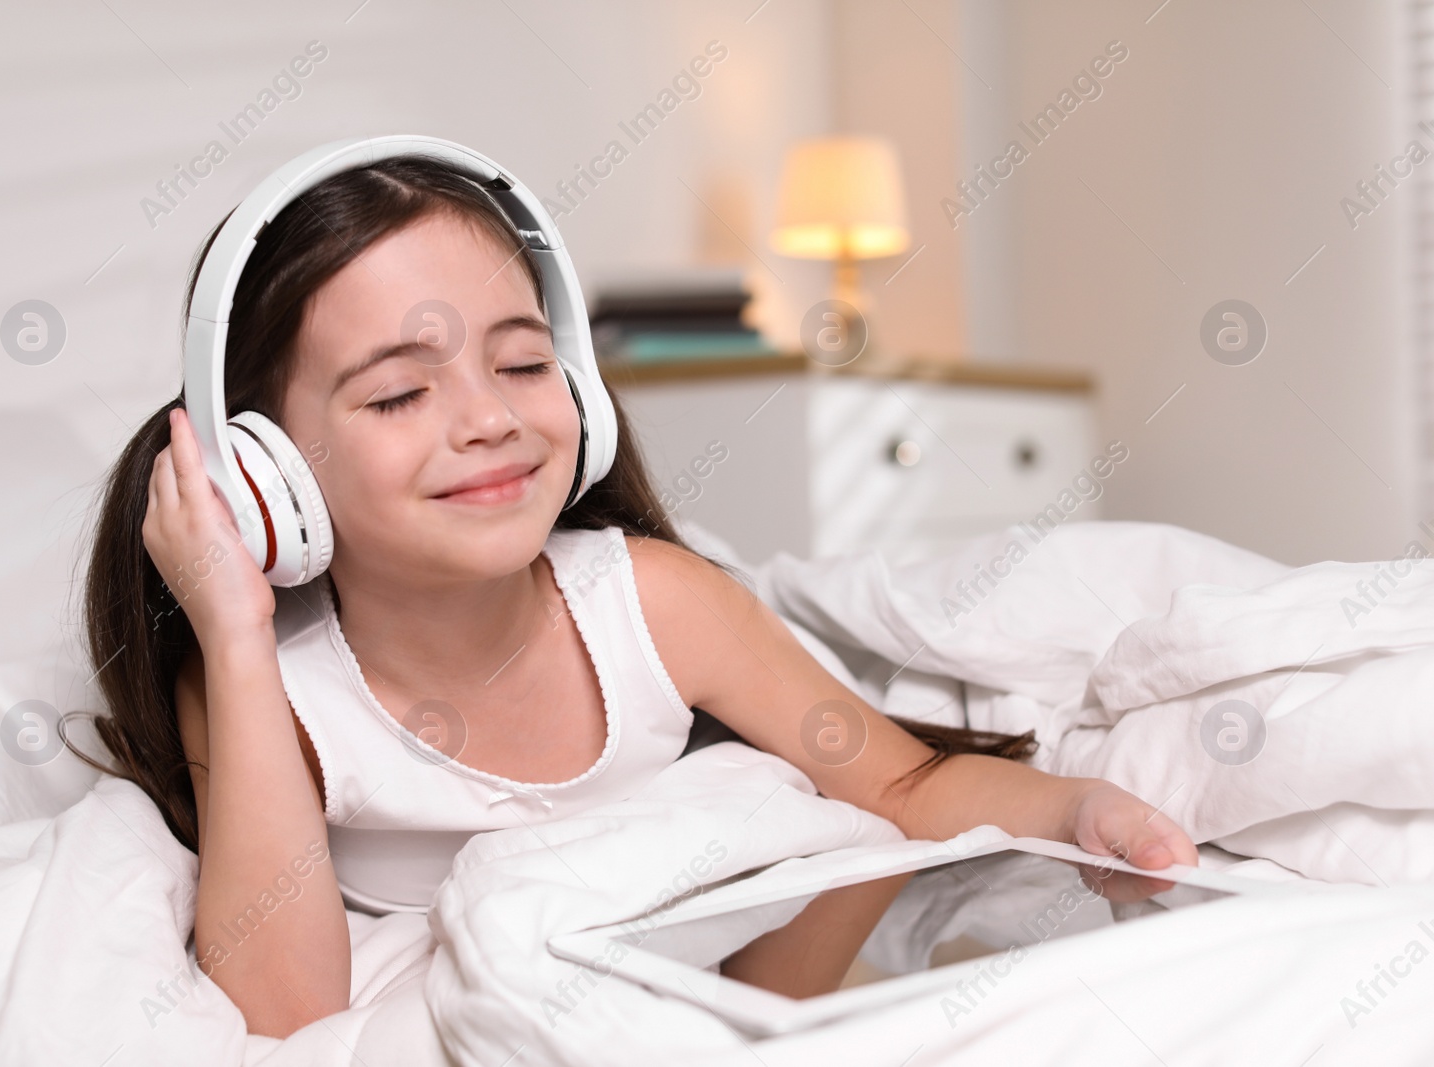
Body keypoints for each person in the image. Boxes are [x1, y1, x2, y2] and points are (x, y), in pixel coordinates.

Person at [68, 155, 1196, 1039]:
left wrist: (1073, 813)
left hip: (740, 1017)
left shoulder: (654, 601)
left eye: (519, 364)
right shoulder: (263, 688)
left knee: (825, 818)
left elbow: (898, 780)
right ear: (262, 473)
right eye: (402, 391)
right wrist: (231, 628)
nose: (489, 417)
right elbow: (283, 1013)